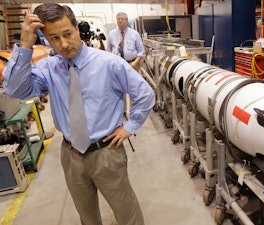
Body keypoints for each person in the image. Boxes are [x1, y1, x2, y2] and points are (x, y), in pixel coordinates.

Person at [2, 3, 154, 225]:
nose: (63, 44)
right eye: (54, 38)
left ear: (77, 29)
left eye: (67, 34)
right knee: (86, 214)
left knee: (126, 211)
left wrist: (129, 127)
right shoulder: (49, 68)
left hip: (106, 152)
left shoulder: (108, 63)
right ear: (44, 38)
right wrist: (24, 45)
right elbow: (15, 89)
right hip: (72, 154)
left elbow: (144, 94)